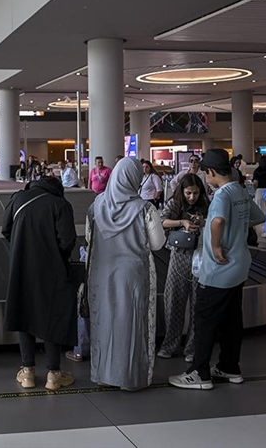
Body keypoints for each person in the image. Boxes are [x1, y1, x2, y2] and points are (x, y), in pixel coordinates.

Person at [169, 149, 265, 390]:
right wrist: (235, 229)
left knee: (204, 320)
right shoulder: (240, 191)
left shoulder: (222, 194)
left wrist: (216, 246)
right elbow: (258, 216)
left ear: (211, 172)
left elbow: (219, 221)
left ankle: (199, 373)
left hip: (219, 269)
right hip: (239, 266)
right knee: (232, 320)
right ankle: (229, 367)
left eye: (206, 173)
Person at [87, 158, 166, 391]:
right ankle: (130, 378)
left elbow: (90, 240)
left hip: (102, 274)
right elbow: (157, 243)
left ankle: (104, 375)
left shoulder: (96, 206)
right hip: (133, 275)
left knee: (105, 322)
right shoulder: (145, 208)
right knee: (132, 323)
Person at [2, 176, 78, 391]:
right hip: (52, 269)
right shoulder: (60, 204)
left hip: (21, 266)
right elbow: (67, 240)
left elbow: (6, 229)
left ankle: (27, 372)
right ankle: (54, 375)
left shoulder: (17, 198)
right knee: (52, 315)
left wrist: (22, 246)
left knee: (24, 314)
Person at [158, 173, 210, 362]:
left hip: (200, 256)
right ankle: (169, 345)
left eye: (195, 193)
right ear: (182, 191)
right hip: (179, 255)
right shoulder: (175, 203)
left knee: (198, 304)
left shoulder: (206, 204)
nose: (192, 197)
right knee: (174, 301)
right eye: (188, 193)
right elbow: (161, 220)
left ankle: (192, 348)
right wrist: (183, 222)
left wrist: (202, 222)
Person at [252, 156, 266, 241]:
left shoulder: (257, 171)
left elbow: (255, 183)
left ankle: (265, 229)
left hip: (260, 191)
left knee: (262, 210)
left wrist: (255, 189)